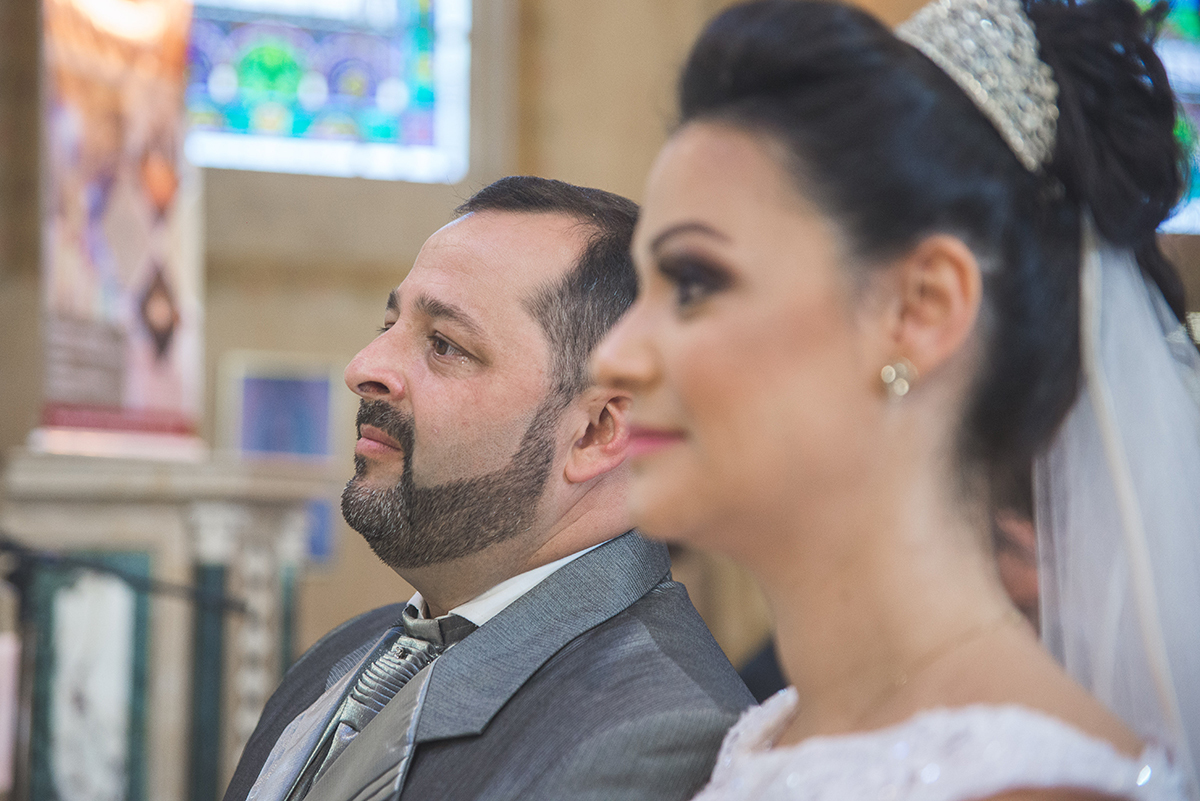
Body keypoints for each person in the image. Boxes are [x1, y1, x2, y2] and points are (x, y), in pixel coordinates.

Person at [593, 0, 1200, 798]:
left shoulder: (1035, 787)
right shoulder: (768, 734)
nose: (613, 355)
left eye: (696, 281)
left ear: (920, 311)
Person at [224, 176, 753, 801]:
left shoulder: (654, 735)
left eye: (445, 345)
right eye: (388, 323)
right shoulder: (339, 653)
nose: (364, 367)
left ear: (596, 431)